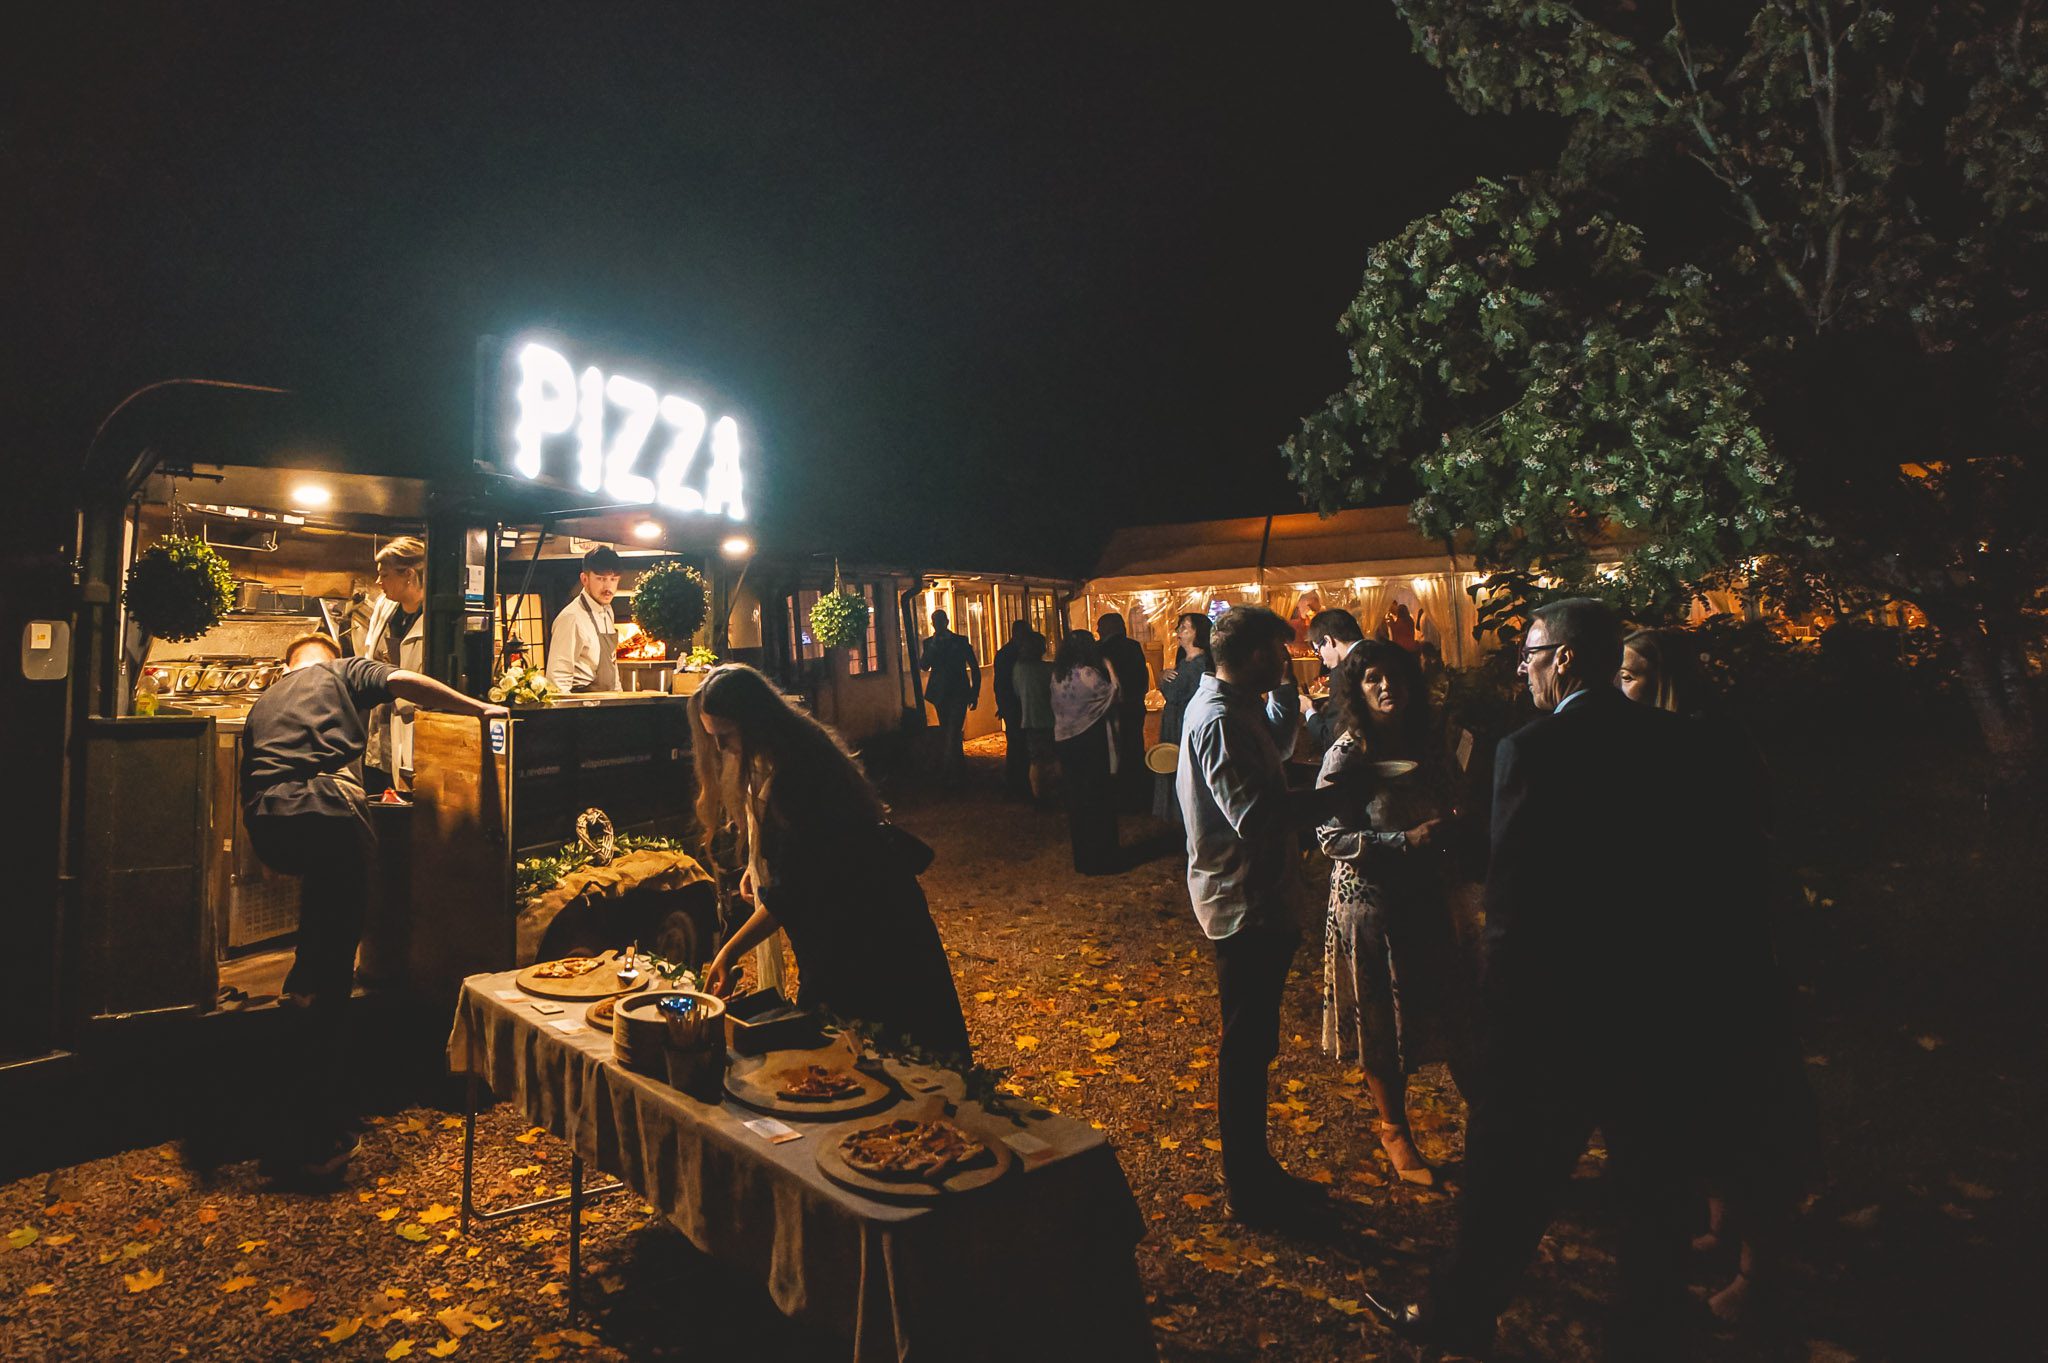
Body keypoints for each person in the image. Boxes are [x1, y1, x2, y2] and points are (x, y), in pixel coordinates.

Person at [1375, 599, 1773, 1359]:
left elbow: (1516, 895)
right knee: (1652, 1178)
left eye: (1529, 652)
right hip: (1657, 1000)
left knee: (1505, 1175)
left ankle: (1461, 1313)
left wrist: (1498, 1002)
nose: (1521, 667)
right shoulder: (1683, 742)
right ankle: (1645, 1326)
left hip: (1556, 1006)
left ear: (1566, 657)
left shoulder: (1533, 748)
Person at [241, 631, 506, 1180]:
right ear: (325, 659)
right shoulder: (336, 673)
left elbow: (255, 783)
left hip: (271, 820)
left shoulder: (265, 701)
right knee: (331, 972)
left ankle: (293, 1098)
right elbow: (405, 682)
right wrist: (480, 708)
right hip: (328, 813)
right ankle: (311, 1143)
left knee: (313, 960)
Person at [1619, 627, 1818, 1325]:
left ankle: (1760, 1271)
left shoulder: (1702, 743)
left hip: (1720, 950)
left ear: (1665, 679)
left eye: (1633, 676)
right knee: (1702, 1096)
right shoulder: (1676, 740)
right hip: (1689, 946)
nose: (1622, 689)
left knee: (1740, 1099)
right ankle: (1723, 1221)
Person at [1177, 605, 1357, 1228]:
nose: (1288, 663)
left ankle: (1257, 1173)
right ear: (1255, 655)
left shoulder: (1236, 709)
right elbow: (1253, 816)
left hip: (1256, 896)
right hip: (1243, 902)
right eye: (1280, 654)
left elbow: (1274, 757)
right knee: (1246, 1047)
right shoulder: (1220, 719)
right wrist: (1339, 797)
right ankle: (1249, 1189)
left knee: (1255, 1042)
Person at [695, 665, 971, 1059]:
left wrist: (729, 951)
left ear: (753, 722)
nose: (721, 749)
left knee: (871, 1044)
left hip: (864, 929)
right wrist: (759, 870)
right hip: (859, 914)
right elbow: (795, 860)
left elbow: (792, 891)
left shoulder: (799, 777)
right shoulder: (796, 748)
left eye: (725, 736)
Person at [1313, 640, 1472, 1188]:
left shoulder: (1429, 745)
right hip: (1370, 903)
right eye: (1373, 678)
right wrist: (1401, 840)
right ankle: (1393, 1128)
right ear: (1356, 689)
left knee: (1454, 1009)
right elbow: (1329, 835)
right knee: (1382, 1020)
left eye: (1397, 677)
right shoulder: (1347, 752)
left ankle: (1492, 1130)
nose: (1388, 687)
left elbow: (1456, 799)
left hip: (1428, 896)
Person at [361, 536, 427, 795]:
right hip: (382, 718)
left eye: (385, 575)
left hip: (414, 721)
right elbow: (370, 654)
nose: (378, 583)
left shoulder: (434, 616)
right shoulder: (385, 606)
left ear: (409, 575)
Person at [1050, 630, 1120, 874]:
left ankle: (1082, 858)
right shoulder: (1088, 673)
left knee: (1077, 800)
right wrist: (1109, 666)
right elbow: (1112, 693)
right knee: (1096, 798)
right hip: (1089, 738)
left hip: (1064, 738)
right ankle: (1102, 857)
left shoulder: (1058, 675)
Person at [1152, 612, 1212, 827]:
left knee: (1184, 766)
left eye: (1186, 627)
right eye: (1180, 626)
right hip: (1176, 719)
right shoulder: (1184, 661)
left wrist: (1162, 680)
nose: (1179, 631)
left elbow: (1175, 692)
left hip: (1185, 720)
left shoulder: (1199, 663)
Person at [545, 546, 624, 694]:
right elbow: (557, 679)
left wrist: (618, 694)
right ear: (584, 579)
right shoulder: (572, 617)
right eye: (600, 579)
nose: (608, 587)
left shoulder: (608, 611)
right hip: (582, 706)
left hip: (608, 702)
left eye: (613, 579)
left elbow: (612, 665)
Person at [1096, 612, 1153, 812]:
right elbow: (1142, 676)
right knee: (1134, 745)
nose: (1097, 630)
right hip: (1134, 704)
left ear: (1107, 629)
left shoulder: (1100, 650)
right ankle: (1137, 790)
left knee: (1114, 748)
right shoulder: (1133, 647)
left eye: (1100, 627)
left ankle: (1119, 792)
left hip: (1112, 707)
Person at [919, 609, 979, 779]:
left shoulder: (960, 641)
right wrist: (932, 647)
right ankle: (957, 770)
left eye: (940, 622)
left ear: (947, 622)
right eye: (935, 622)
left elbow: (974, 668)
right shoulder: (929, 642)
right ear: (933, 624)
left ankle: (951, 772)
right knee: (948, 731)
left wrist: (975, 693)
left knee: (953, 731)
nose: (938, 625)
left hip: (958, 692)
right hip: (941, 694)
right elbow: (924, 665)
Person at [1302, 608, 1365, 752]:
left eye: (1318, 651)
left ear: (1328, 641)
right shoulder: (1385, 652)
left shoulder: (1343, 671)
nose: (1322, 661)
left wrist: (1308, 711)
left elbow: (1332, 739)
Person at [1010, 629, 1058, 805]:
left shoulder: (1018, 669)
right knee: (1053, 757)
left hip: (1029, 718)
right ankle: (1053, 792)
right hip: (1052, 718)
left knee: (1036, 760)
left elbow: (1016, 692)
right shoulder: (1048, 670)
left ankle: (1038, 795)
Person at [993, 619, 1038, 798]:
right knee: (1019, 743)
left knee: (1016, 743)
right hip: (1016, 703)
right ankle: (1019, 783)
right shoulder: (1015, 654)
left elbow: (1000, 684)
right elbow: (1002, 683)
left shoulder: (1005, 653)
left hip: (1013, 703)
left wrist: (1002, 704)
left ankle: (1017, 782)